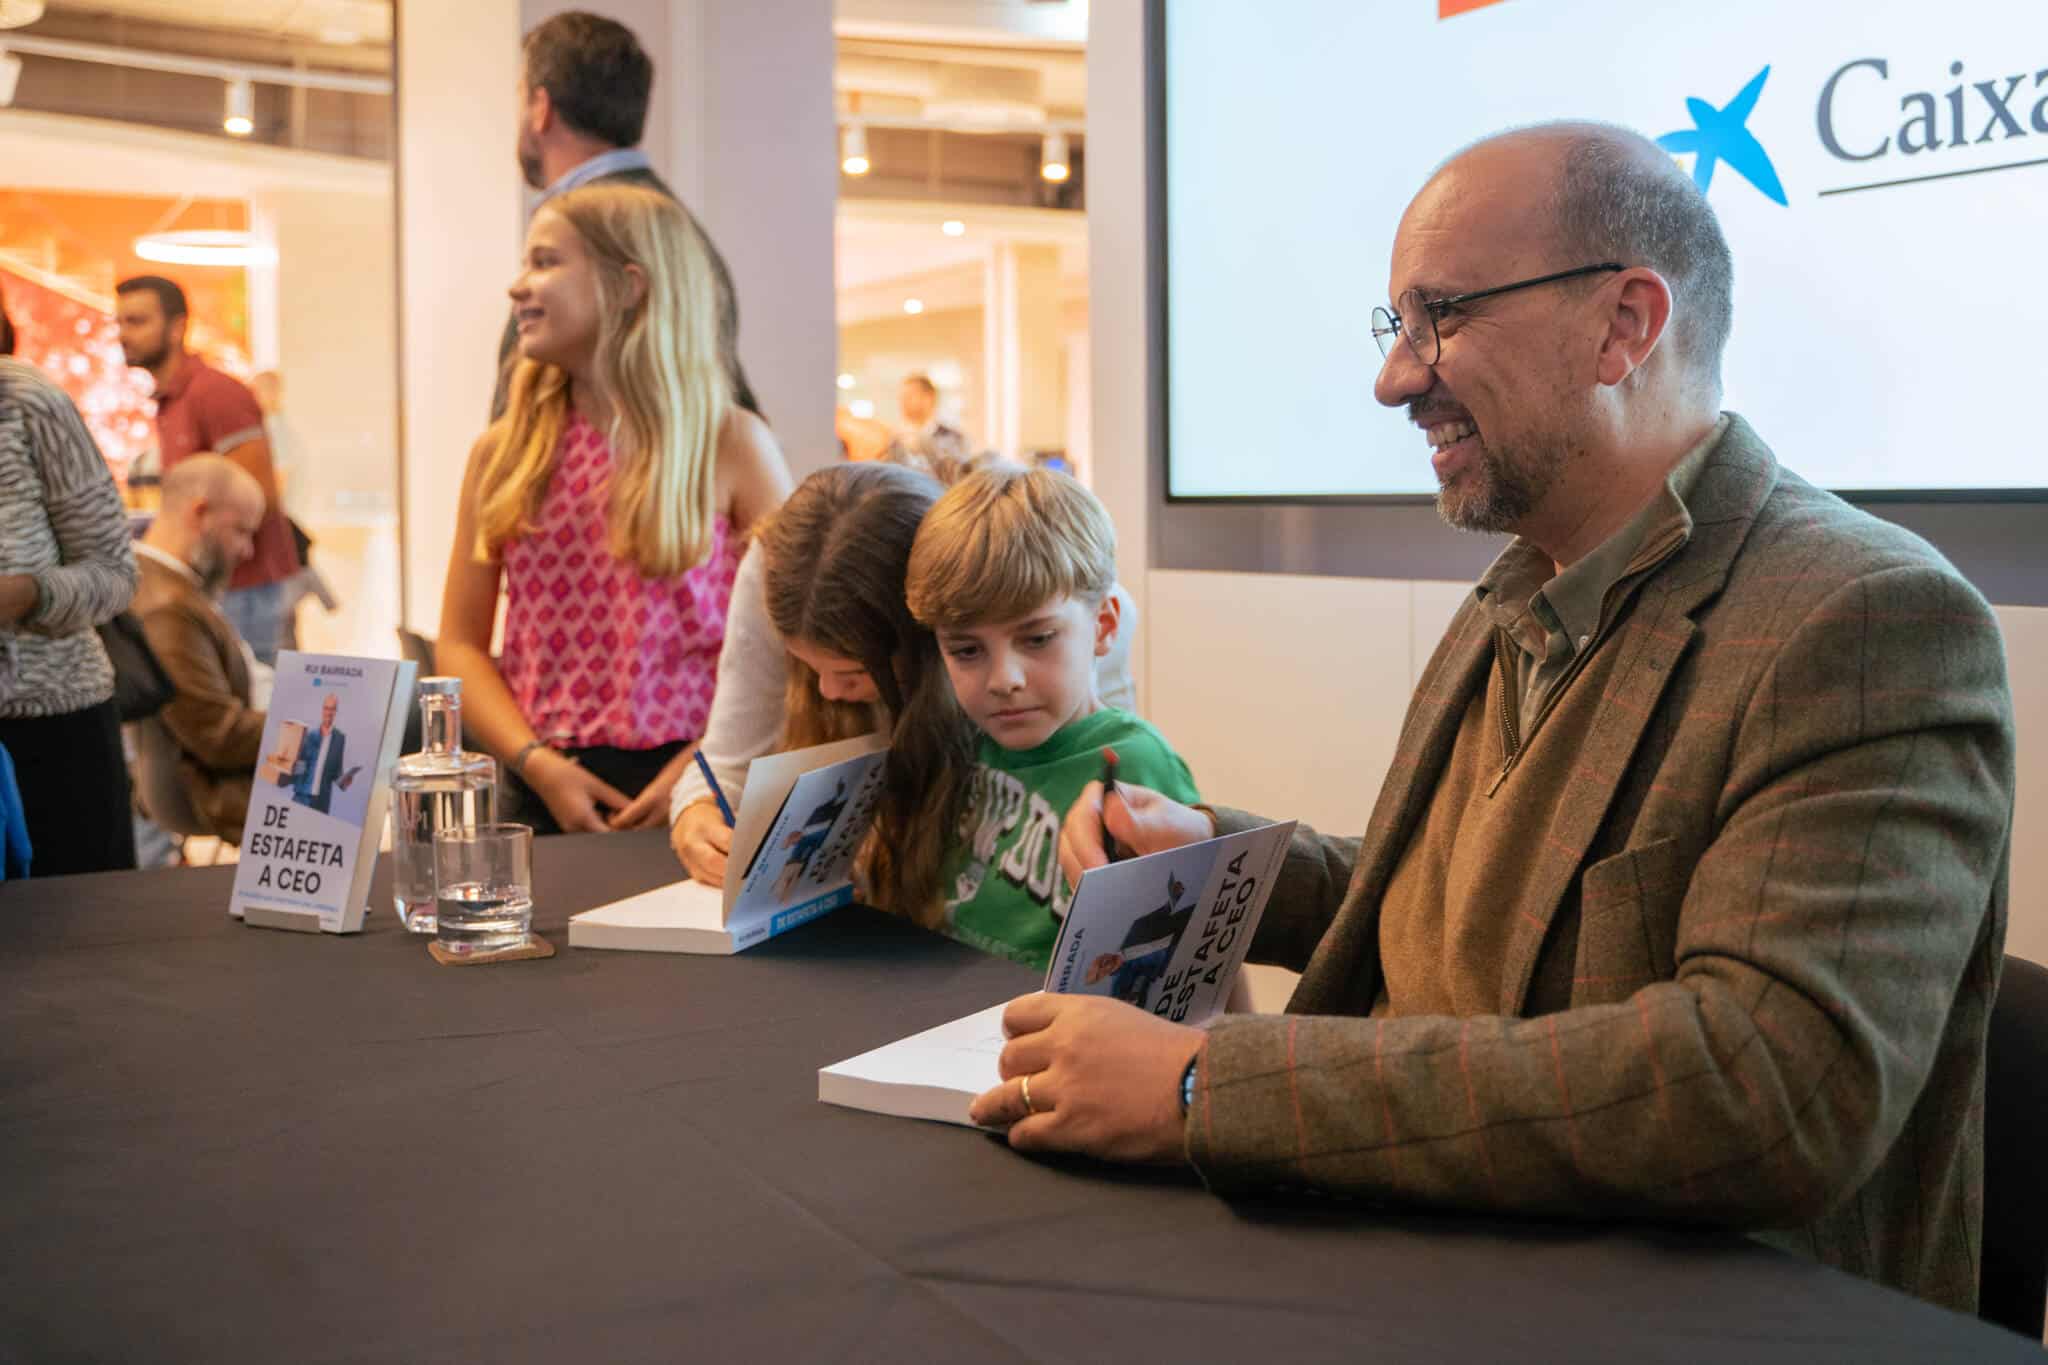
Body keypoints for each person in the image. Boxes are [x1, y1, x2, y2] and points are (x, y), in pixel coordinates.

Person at [977, 122, 2014, 1316]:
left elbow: (1764, 1086)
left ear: (1624, 324)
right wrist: (1221, 860)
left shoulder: (1867, 621)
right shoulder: (1522, 586)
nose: (1394, 377)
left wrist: (1210, 1085)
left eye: (1442, 316)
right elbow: (1482, 914)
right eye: (1394, 326)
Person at [440, 182, 791, 837]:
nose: (518, 287)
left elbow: (793, 642)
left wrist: (707, 768)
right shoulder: (503, 452)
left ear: (628, 284)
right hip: (538, 786)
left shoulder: (733, 442)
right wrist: (537, 763)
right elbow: (458, 642)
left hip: (706, 789)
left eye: (545, 262)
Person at [667, 461, 1141, 886]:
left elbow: (1093, 773)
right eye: (809, 670)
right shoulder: (772, 570)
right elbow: (726, 761)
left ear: (932, 637)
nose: (828, 690)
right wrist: (695, 813)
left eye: (853, 672)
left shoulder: (1072, 613)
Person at [898, 465, 1198, 968]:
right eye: (967, 650)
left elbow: (1197, 945)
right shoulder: (962, 744)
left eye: (1036, 639)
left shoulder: (1139, 764)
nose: (1003, 680)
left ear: (1102, 625)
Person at [496, 10, 757, 421]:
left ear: (541, 107)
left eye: (544, 263)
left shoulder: (605, 231)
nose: (521, 287)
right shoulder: (674, 232)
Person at [0, 351, 140, 875]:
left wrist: (28, 593)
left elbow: (115, 576)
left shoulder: (27, 404)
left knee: (82, 940)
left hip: (51, 734)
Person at [116, 275, 299, 666]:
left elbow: (258, 497)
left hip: (247, 590)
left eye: (137, 321)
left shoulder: (214, 393)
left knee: (262, 708)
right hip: (209, 587)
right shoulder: (171, 400)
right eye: (120, 323)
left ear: (177, 327)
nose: (124, 334)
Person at [131, 455, 270, 841]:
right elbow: (218, 737)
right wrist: (311, 727)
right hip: (212, 790)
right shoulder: (167, 608)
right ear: (200, 512)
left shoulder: (169, 589)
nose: (248, 551)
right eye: (241, 531)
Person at [282, 691, 352, 814]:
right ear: (322, 710)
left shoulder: (340, 738)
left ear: (336, 712)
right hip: (302, 797)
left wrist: (344, 782)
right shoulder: (309, 736)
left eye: (332, 709)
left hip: (322, 802)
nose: (329, 712)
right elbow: (296, 766)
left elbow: (336, 771)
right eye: (326, 708)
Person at [884, 373, 968, 470]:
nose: (903, 402)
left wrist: (923, 445)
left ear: (929, 398)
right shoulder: (893, 439)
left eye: (909, 396)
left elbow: (957, 474)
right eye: (901, 397)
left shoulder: (954, 438)